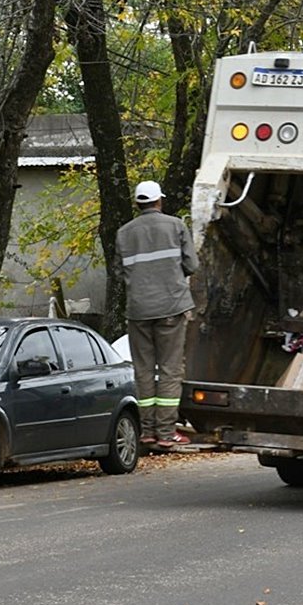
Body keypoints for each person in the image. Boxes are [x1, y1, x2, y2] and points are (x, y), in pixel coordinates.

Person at [116, 180, 199, 450]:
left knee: (143, 370)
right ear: (159, 201)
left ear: (138, 203)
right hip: (171, 309)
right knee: (169, 370)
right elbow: (192, 265)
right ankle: (166, 433)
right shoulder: (175, 226)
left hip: (138, 311)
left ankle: (147, 432)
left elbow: (118, 273)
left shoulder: (124, 233)